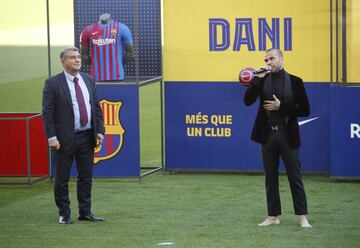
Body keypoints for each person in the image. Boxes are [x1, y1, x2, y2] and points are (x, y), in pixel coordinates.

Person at [243, 48, 312, 228]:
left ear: (281, 59)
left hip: (287, 135)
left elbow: (305, 110)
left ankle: (302, 217)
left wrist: (281, 106)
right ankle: (273, 216)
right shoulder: (262, 79)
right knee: (270, 177)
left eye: (272, 58)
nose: (268, 62)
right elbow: (247, 101)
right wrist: (256, 82)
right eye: (266, 60)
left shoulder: (296, 82)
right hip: (267, 136)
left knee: (294, 177)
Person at [42, 47, 105, 224]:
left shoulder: (88, 79)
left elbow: (96, 107)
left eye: (78, 57)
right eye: (72, 58)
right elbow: (47, 113)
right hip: (63, 139)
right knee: (62, 178)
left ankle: (85, 212)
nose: (77, 60)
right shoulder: (53, 83)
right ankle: (64, 213)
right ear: (63, 62)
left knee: (85, 176)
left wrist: (99, 130)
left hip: (86, 136)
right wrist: (51, 137)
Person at [80, 13, 134, 81]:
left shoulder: (122, 28)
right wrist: (96, 63)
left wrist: (118, 62)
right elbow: (84, 56)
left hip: (117, 77)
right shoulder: (87, 30)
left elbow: (131, 54)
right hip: (96, 78)